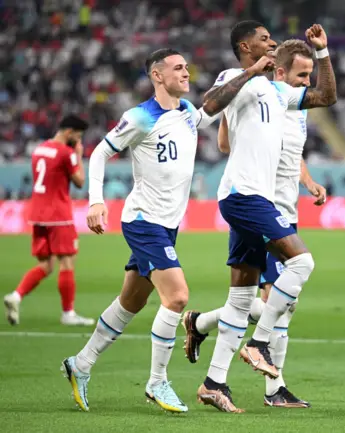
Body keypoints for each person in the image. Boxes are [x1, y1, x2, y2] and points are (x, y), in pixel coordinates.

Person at [60, 47, 270, 413]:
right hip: (143, 222)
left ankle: (80, 364)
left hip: (167, 226)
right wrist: (96, 200)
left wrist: (249, 72)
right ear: (157, 76)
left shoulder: (188, 112)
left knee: (132, 301)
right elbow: (99, 153)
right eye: (177, 68)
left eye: (187, 67)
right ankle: (158, 382)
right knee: (176, 297)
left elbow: (213, 106)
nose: (186, 73)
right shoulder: (140, 117)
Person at [188, 21, 336, 413]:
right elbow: (207, 107)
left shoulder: (278, 91)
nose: (271, 41)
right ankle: (259, 343)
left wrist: (322, 52)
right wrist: (252, 72)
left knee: (240, 299)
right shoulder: (238, 76)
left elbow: (325, 96)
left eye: (272, 38)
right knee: (302, 263)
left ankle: (213, 383)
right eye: (264, 38)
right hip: (244, 195)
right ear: (245, 46)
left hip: (260, 200)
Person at [4, 115, 94, 327]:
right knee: (67, 261)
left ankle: (16, 296)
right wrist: (79, 155)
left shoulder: (39, 149)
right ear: (70, 132)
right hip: (59, 214)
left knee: (46, 264)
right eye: (78, 136)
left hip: (37, 212)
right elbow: (80, 182)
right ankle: (68, 313)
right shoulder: (67, 153)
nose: (78, 141)